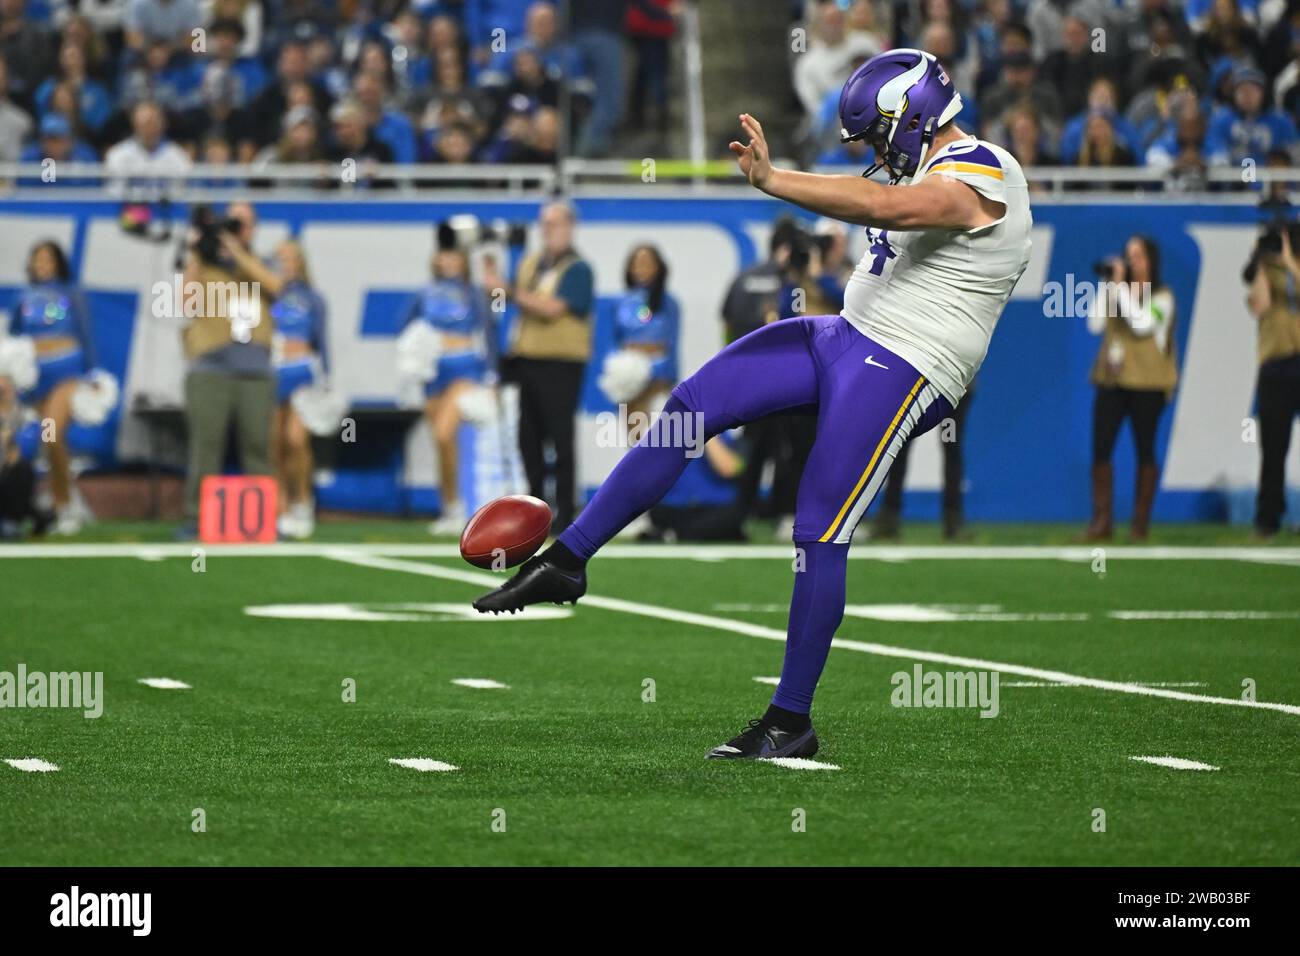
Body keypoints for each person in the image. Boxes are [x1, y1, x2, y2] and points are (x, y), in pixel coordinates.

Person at [472, 50, 1032, 760]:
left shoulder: (987, 168)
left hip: (906, 365)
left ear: (912, 114)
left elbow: (891, 206)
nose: (875, 154)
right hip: (846, 335)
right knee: (693, 404)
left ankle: (790, 721)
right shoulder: (925, 166)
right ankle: (571, 557)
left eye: (877, 135)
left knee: (818, 530)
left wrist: (775, 181)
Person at [488, 200, 594, 531]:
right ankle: (535, 507)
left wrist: (507, 289)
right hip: (528, 358)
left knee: (560, 438)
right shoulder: (532, 264)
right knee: (528, 438)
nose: (547, 230)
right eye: (544, 223)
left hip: (561, 363)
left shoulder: (578, 269)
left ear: (570, 226)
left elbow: (551, 309)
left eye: (555, 223)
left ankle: (565, 510)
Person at [177, 202, 276, 537]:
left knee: (258, 445)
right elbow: (187, 302)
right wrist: (197, 251)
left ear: (253, 229)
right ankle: (196, 518)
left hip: (256, 368)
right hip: (210, 367)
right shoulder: (204, 264)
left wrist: (237, 252)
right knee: (206, 445)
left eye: (243, 224)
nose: (236, 229)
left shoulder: (260, 262)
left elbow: (276, 287)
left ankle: (262, 519)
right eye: (232, 223)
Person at [1080, 236, 1177, 542]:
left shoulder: (1163, 297)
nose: (1131, 261)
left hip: (1148, 384)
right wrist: (1107, 285)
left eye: (1138, 255)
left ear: (1150, 260)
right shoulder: (1116, 291)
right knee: (1101, 447)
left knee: (1144, 448)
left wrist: (1119, 287)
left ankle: (1139, 523)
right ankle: (1102, 520)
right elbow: (1094, 325)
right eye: (1128, 255)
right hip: (1112, 381)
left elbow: (1141, 324)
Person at [6, 240, 95, 534]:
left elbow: (85, 334)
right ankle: (61, 496)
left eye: (47, 258)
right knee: (45, 437)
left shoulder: (71, 293)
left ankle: (64, 503)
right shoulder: (24, 298)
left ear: (58, 262)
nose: (42, 264)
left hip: (65, 373)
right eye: (37, 259)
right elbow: (15, 339)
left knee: (53, 433)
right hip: (37, 378)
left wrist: (92, 376)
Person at [403, 242, 492, 536]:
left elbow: (489, 331)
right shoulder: (424, 293)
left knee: (444, 432)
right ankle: (450, 507)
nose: (449, 260)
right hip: (433, 371)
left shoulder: (473, 293)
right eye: (444, 254)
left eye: (454, 255)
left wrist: (492, 374)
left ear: (463, 260)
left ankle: (462, 505)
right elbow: (403, 326)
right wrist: (418, 350)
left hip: (464, 366)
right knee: (441, 442)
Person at [267, 241, 329, 540]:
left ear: (301, 262)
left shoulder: (312, 298)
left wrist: (326, 380)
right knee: (275, 444)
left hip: (302, 372)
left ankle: (304, 501)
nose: (286, 264)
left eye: (291, 259)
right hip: (273, 372)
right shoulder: (269, 294)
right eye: (281, 260)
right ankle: (283, 508)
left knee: (296, 439)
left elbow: (322, 341)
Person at [1244, 225, 1300, 539]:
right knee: (1273, 448)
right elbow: (1259, 306)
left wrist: (1290, 260)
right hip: (1275, 367)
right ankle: (1268, 519)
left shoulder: (1293, 268)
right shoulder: (1267, 272)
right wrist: (1261, 262)